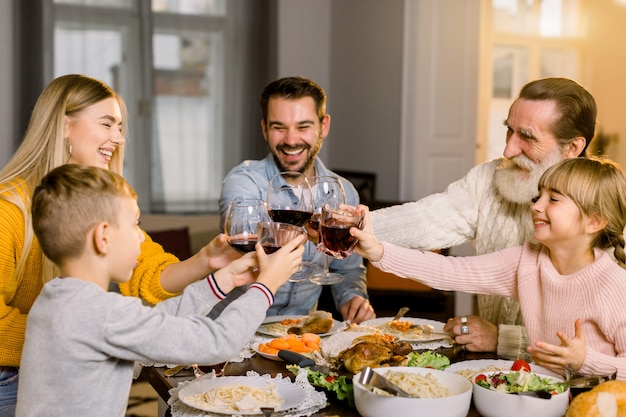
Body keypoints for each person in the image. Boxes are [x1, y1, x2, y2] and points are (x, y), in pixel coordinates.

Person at [0, 74, 245, 416]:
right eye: (107, 124)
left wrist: (206, 261)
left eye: (119, 126)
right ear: (65, 126)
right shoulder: (8, 211)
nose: (118, 137)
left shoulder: (99, 203)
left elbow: (147, 275)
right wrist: (82, 331)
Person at [15, 164, 304, 417]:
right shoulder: (101, 314)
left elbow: (157, 323)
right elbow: (218, 342)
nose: (141, 237)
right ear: (103, 237)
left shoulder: (56, 299)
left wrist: (222, 281)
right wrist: (266, 285)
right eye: (135, 225)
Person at [370, 77, 597, 358]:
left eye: (527, 137)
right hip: (491, 372)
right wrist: (356, 227)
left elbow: (597, 346)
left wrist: (503, 338)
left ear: (572, 148)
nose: (508, 150)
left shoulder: (604, 211)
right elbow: (429, 224)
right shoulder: (490, 178)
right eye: (509, 131)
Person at [353, 156, 626, 379]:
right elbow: (450, 272)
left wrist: (585, 360)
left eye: (553, 200)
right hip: (542, 397)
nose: (536, 206)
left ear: (593, 221)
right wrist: (379, 251)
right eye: (539, 196)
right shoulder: (526, 261)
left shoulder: (614, 285)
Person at [219, 76, 374, 323]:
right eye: (279, 127)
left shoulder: (343, 192)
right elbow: (245, 243)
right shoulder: (245, 181)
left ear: (323, 126)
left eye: (303, 126)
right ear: (264, 129)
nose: (291, 140)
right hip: (234, 329)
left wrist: (353, 298)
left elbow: (348, 268)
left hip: (300, 333)